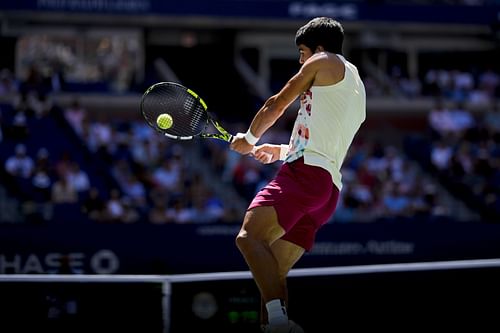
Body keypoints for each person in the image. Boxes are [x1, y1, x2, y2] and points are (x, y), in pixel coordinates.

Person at [230, 17, 366, 332]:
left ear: (318, 49)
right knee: (272, 274)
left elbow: (276, 103)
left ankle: (279, 323)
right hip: (328, 191)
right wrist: (278, 150)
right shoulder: (356, 82)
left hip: (305, 177)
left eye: (302, 52)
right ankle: (276, 325)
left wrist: (248, 139)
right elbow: (324, 135)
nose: (300, 60)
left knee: (249, 238)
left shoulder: (322, 61)